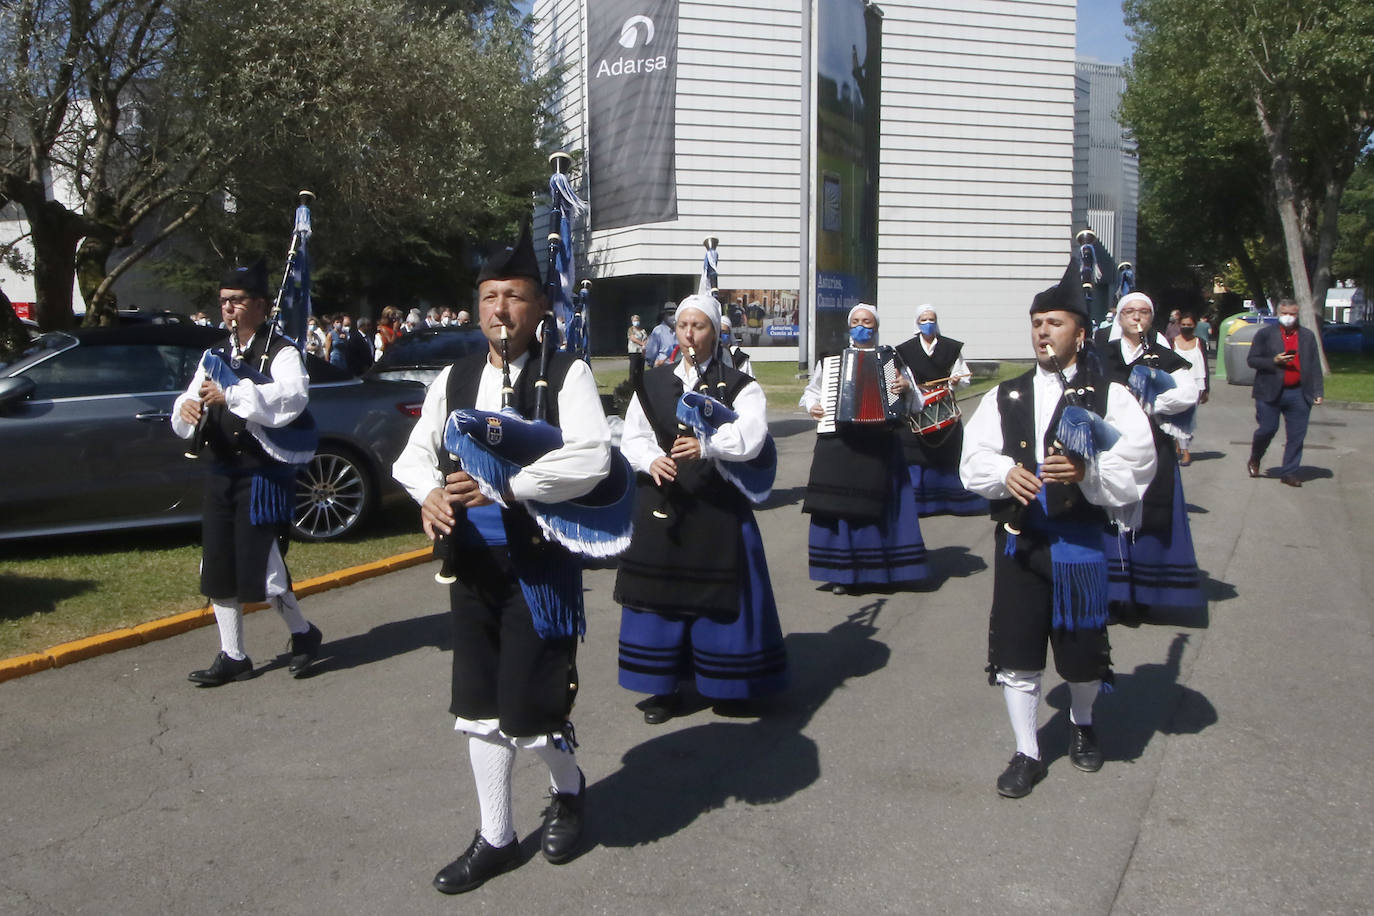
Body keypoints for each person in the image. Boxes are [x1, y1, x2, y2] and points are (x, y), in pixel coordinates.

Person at [391, 226, 611, 894]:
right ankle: (495, 837)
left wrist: (505, 486)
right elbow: (413, 454)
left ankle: (569, 790)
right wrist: (428, 491)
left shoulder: (566, 373)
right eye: (489, 297)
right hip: (473, 568)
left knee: (532, 709)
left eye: (514, 297)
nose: (499, 310)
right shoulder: (455, 378)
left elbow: (593, 457)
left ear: (539, 305)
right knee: (479, 706)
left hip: (540, 571)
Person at [959, 275, 1155, 799]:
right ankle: (1027, 750)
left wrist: (1087, 475)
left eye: (1055, 323)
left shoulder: (1110, 393)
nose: (1043, 333)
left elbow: (1138, 462)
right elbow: (973, 457)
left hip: (1078, 545)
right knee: (1018, 651)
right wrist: (1003, 473)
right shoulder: (1008, 393)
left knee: (1081, 653)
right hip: (1020, 543)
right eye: (1037, 324)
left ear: (1081, 333)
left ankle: (1084, 722)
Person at [613, 293, 787, 724]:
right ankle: (662, 687)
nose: (690, 333)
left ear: (715, 332)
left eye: (700, 326)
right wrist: (649, 459)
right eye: (684, 326)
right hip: (664, 502)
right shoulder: (653, 383)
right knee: (659, 595)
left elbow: (752, 437)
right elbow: (631, 434)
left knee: (723, 594)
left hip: (717, 504)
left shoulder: (740, 384)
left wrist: (708, 445)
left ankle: (731, 683)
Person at [171, 260, 323, 686]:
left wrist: (234, 393)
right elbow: (191, 397)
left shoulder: (283, 351)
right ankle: (233, 654)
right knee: (217, 562)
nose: (229, 310)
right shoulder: (215, 354)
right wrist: (185, 409)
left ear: (259, 305)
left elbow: (291, 398)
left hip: (260, 475)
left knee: (264, 566)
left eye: (237, 301)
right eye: (223, 302)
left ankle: (304, 634)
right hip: (221, 469)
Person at [800, 303, 929, 594]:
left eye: (867, 322)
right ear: (849, 326)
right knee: (840, 505)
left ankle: (886, 569)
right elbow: (811, 392)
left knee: (885, 506)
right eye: (856, 321)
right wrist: (814, 406)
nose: (861, 326)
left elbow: (917, 403)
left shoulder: (891, 358)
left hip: (881, 440)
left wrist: (906, 388)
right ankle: (842, 573)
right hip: (840, 441)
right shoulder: (832, 360)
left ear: (876, 326)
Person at [1094, 291, 1203, 619]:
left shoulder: (1162, 356)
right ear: (1120, 316)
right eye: (1130, 311)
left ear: (1151, 318)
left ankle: (1143, 593)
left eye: (1143, 312)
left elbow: (1188, 391)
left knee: (1148, 520)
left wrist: (1151, 401)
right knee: (1106, 515)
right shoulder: (1100, 353)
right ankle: (1110, 593)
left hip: (1152, 448)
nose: (1136, 317)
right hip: (1109, 446)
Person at [894, 304, 986, 517]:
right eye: (923, 320)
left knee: (951, 454)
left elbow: (964, 376)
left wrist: (954, 381)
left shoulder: (950, 347)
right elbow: (904, 378)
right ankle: (919, 503)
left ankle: (956, 502)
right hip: (918, 406)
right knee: (917, 457)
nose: (928, 323)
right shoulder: (905, 350)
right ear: (917, 324)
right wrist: (909, 387)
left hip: (945, 407)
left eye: (931, 319)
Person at [1247, 298, 1324, 487]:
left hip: (1299, 392)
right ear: (1278, 314)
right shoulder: (1265, 334)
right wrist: (1274, 361)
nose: (1289, 317)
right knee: (1267, 429)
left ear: (1297, 314)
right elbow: (1252, 360)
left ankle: (1289, 472)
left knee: (1297, 435)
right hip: (1269, 391)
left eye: (1292, 314)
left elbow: (1314, 364)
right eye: (1285, 313)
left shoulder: (1307, 336)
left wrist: (1318, 390)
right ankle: (1255, 457)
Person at [1171, 312, 1209, 465]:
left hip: (1196, 384)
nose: (1186, 327)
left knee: (1189, 418)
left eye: (1189, 325)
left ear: (1194, 326)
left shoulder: (1199, 342)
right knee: (1180, 416)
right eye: (1184, 325)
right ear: (1179, 325)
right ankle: (1183, 448)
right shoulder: (1172, 342)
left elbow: (1205, 365)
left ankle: (1182, 446)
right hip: (1177, 384)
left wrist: (1207, 389)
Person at [644, 304, 677, 369]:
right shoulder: (658, 331)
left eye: (675, 314)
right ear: (664, 316)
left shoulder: (680, 330)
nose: (673, 317)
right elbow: (651, 353)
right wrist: (655, 364)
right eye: (670, 314)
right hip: (662, 367)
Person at [626, 313, 648, 388]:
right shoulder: (631, 330)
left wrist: (644, 345)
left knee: (640, 369)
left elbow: (646, 338)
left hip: (641, 352)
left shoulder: (643, 330)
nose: (636, 322)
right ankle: (631, 383)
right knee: (633, 368)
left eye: (637, 320)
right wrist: (642, 343)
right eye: (634, 320)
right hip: (633, 351)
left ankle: (640, 383)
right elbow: (633, 338)